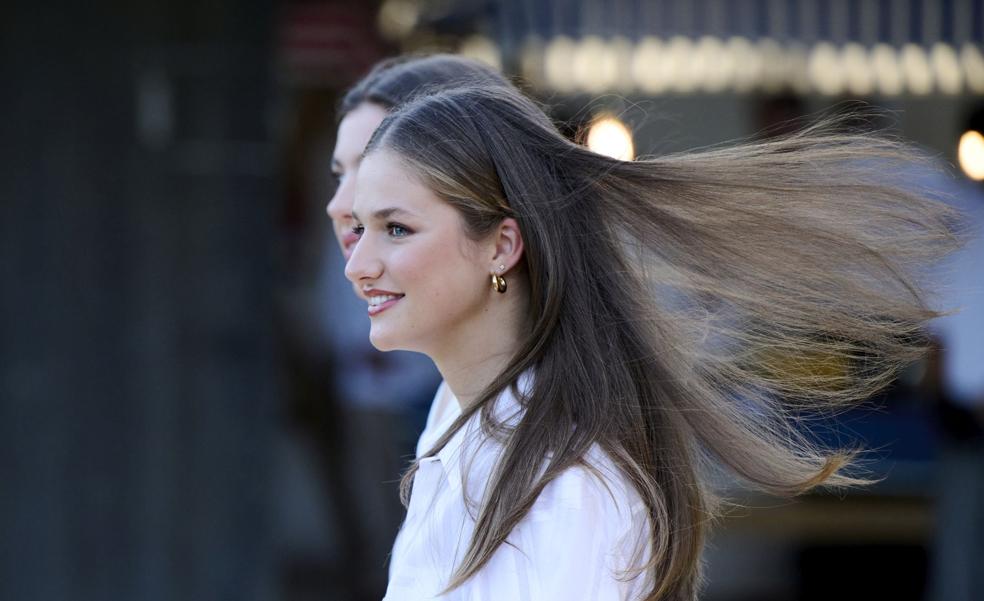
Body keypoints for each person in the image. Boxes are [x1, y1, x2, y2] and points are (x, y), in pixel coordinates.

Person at [343, 82, 962, 601]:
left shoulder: (566, 482)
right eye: (359, 228)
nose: (358, 264)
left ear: (502, 246)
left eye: (396, 228)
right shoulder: (465, 420)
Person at [319, 55, 513, 599]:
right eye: (340, 173)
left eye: (398, 225)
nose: (343, 204)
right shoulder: (458, 407)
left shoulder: (556, 464)